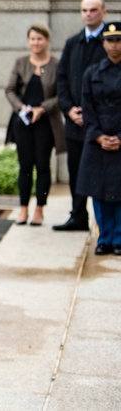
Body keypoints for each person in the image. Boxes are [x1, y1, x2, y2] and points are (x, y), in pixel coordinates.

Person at [54, 0, 107, 231]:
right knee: (76, 171)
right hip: (75, 122)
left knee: (104, 173)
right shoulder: (72, 43)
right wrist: (68, 110)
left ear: (103, 12)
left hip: (104, 123)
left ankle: (106, 224)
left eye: (93, 10)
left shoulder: (112, 41)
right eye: (84, 10)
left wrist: (92, 114)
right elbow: (61, 78)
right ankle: (77, 216)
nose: (88, 14)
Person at [4, 24, 65, 227]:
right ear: (28, 41)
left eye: (40, 39)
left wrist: (43, 108)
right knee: (25, 166)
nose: (36, 42)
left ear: (47, 40)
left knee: (43, 166)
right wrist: (22, 107)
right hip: (23, 122)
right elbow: (10, 90)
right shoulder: (20, 63)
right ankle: (23, 209)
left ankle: (39, 209)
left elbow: (62, 95)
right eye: (32, 39)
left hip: (46, 124)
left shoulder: (57, 64)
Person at [78, 22, 121, 255]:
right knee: (99, 191)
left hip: (120, 142)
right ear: (104, 43)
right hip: (98, 141)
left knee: (119, 193)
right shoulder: (92, 73)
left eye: (118, 40)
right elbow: (88, 108)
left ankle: (119, 239)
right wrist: (98, 136)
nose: (114, 45)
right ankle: (104, 238)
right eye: (110, 40)